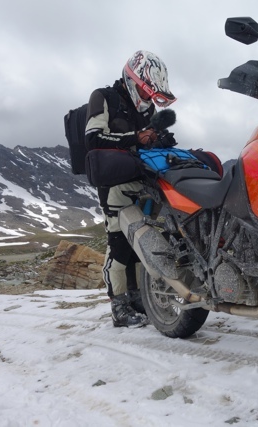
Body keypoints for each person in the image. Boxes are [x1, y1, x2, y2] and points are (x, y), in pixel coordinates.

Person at [85, 50, 176, 328]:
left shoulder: (147, 109)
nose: (148, 99)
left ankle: (139, 298)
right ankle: (119, 306)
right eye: (145, 92)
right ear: (131, 78)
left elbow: (143, 144)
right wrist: (134, 137)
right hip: (113, 184)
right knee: (119, 244)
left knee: (142, 243)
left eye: (152, 96)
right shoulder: (102, 97)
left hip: (141, 182)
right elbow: (93, 138)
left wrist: (158, 140)